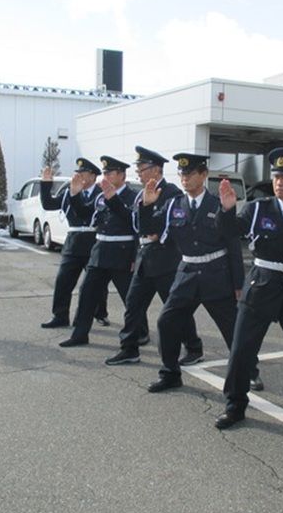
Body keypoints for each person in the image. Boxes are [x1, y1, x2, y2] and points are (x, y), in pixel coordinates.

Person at [214, 148, 283, 429]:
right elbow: (228, 232)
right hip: (261, 285)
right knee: (241, 351)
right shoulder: (257, 208)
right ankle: (235, 406)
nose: (280, 182)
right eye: (277, 176)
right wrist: (227, 210)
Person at [141, 154, 244, 392]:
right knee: (166, 322)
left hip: (216, 273)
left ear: (203, 175)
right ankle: (170, 374)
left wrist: (238, 283)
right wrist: (147, 206)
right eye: (181, 174)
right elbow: (149, 230)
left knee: (233, 328)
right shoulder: (174, 205)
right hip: (187, 273)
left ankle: (249, 370)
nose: (184, 179)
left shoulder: (218, 203)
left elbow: (233, 245)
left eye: (190, 174)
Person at [105, 146, 203, 366]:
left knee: (175, 308)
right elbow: (135, 223)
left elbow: (172, 225)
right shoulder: (141, 193)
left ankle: (194, 347)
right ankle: (129, 348)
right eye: (138, 168)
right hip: (144, 256)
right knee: (133, 304)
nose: (138, 172)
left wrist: (158, 231)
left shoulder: (171, 193)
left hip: (165, 259)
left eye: (142, 167)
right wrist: (112, 200)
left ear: (157, 170)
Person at [59, 156, 138, 348]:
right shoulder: (100, 196)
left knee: (131, 299)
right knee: (87, 294)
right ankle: (80, 334)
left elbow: (134, 224)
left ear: (121, 175)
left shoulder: (133, 196)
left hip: (122, 252)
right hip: (100, 251)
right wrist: (75, 196)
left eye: (110, 172)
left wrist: (136, 256)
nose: (106, 176)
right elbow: (86, 215)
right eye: (105, 173)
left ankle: (140, 331)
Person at [38, 159, 109, 329]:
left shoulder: (101, 194)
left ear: (93, 176)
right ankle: (60, 315)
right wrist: (46, 184)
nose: (78, 176)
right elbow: (49, 204)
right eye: (77, 173)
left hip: (94, 240)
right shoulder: (71, 192)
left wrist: (75, 195)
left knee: (96, 283)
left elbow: (88, 214)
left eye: (83, 173)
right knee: (63, 281)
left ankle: (100, 313)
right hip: (73, 241)